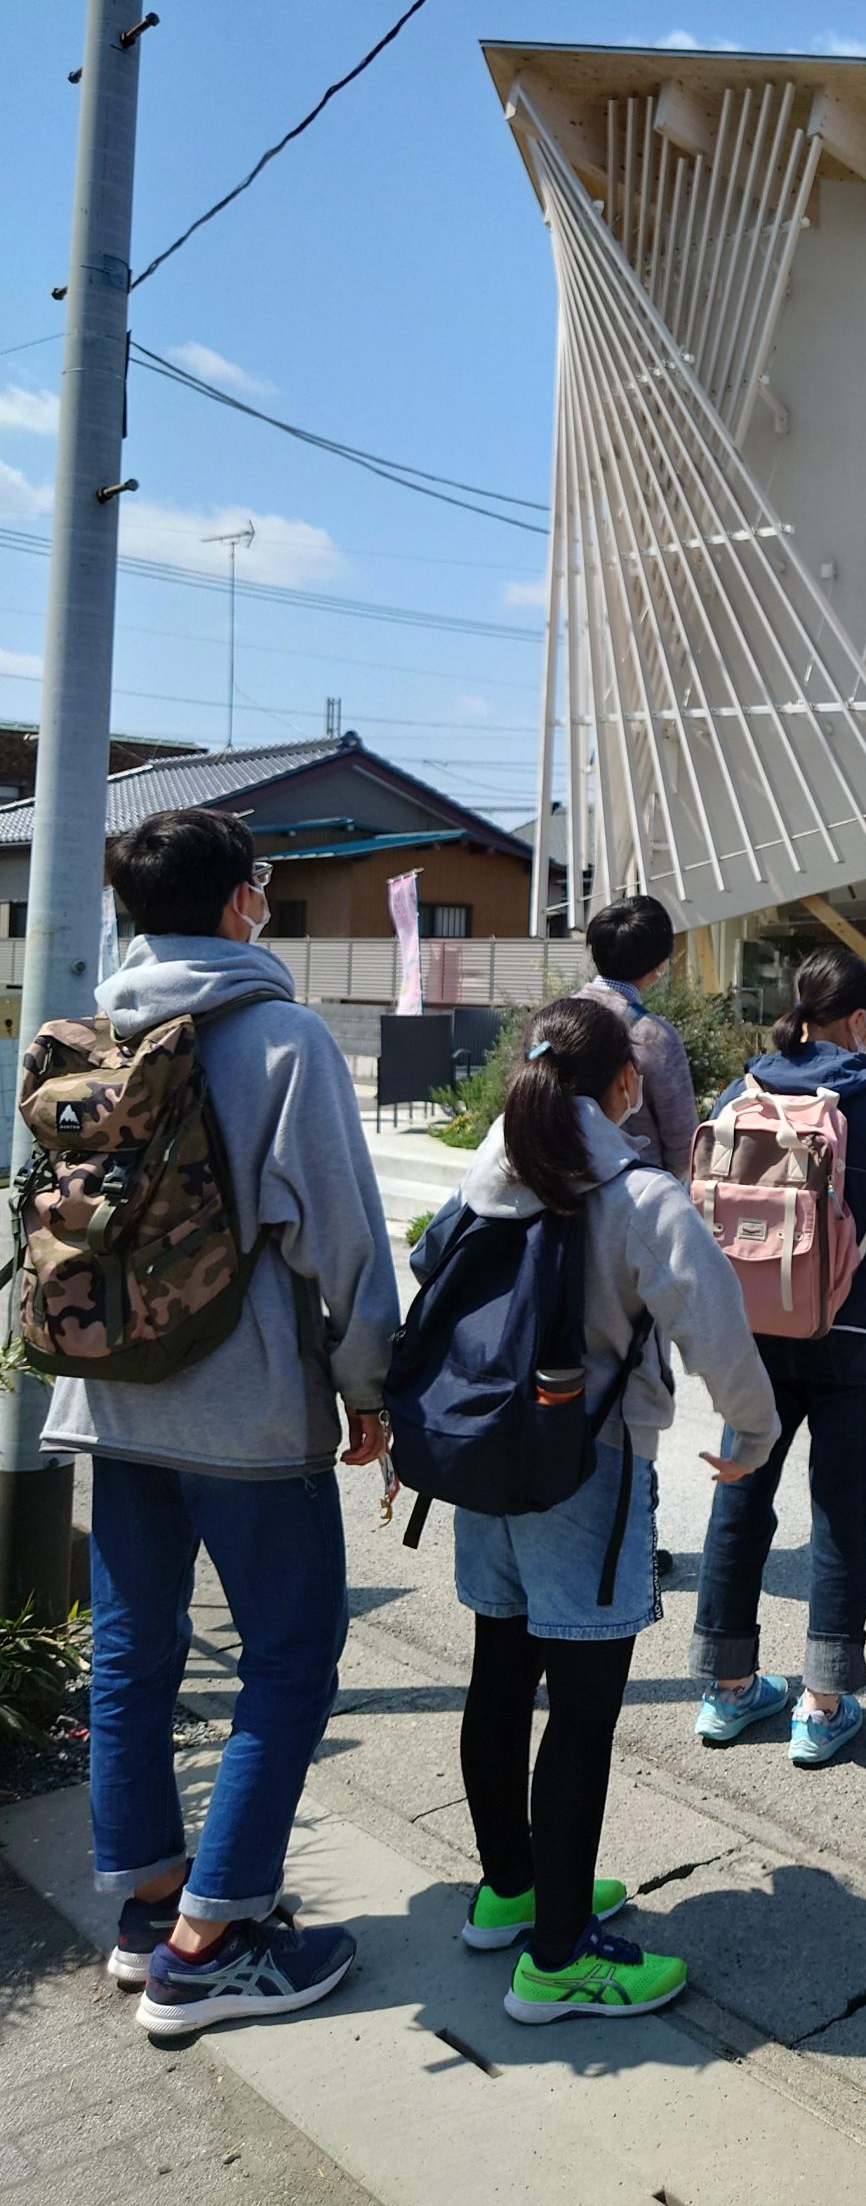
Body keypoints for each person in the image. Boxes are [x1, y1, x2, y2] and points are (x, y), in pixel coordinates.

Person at [37, 809, 397, 2036]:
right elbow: (342, 1240)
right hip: (242, 1418)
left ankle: (146, 1912)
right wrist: (368, 1390)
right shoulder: (282, 1037)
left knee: (134, 1654)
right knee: (288, 1661)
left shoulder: (87, 1036)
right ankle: (215, 1942)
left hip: (108, 1398)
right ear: (246, 900)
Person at [443, 996, 780, 2021]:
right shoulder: (633, 1191)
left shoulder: (486, 1173)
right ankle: (558, 1959)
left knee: (499, 1674)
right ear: (624, 1087)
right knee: (583, 1712)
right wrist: (752, 1433)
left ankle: (511, 1888)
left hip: (487, 1461)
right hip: (588, 1468)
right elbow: (713, 1319)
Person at [690, 949, 866, 1768]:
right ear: (862, 1019)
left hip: (752, 1332)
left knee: (741, 1496)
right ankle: (822, 1703)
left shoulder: (745, 1089)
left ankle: (727, 1691)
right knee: (840, 1509)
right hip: (853, 1333)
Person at [580, 895, 698, 1180]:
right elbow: (684, 1147)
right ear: (660, 966)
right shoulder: (654, 1037)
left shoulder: (549, 1020)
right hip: (635, 1194)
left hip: (556, 1188)